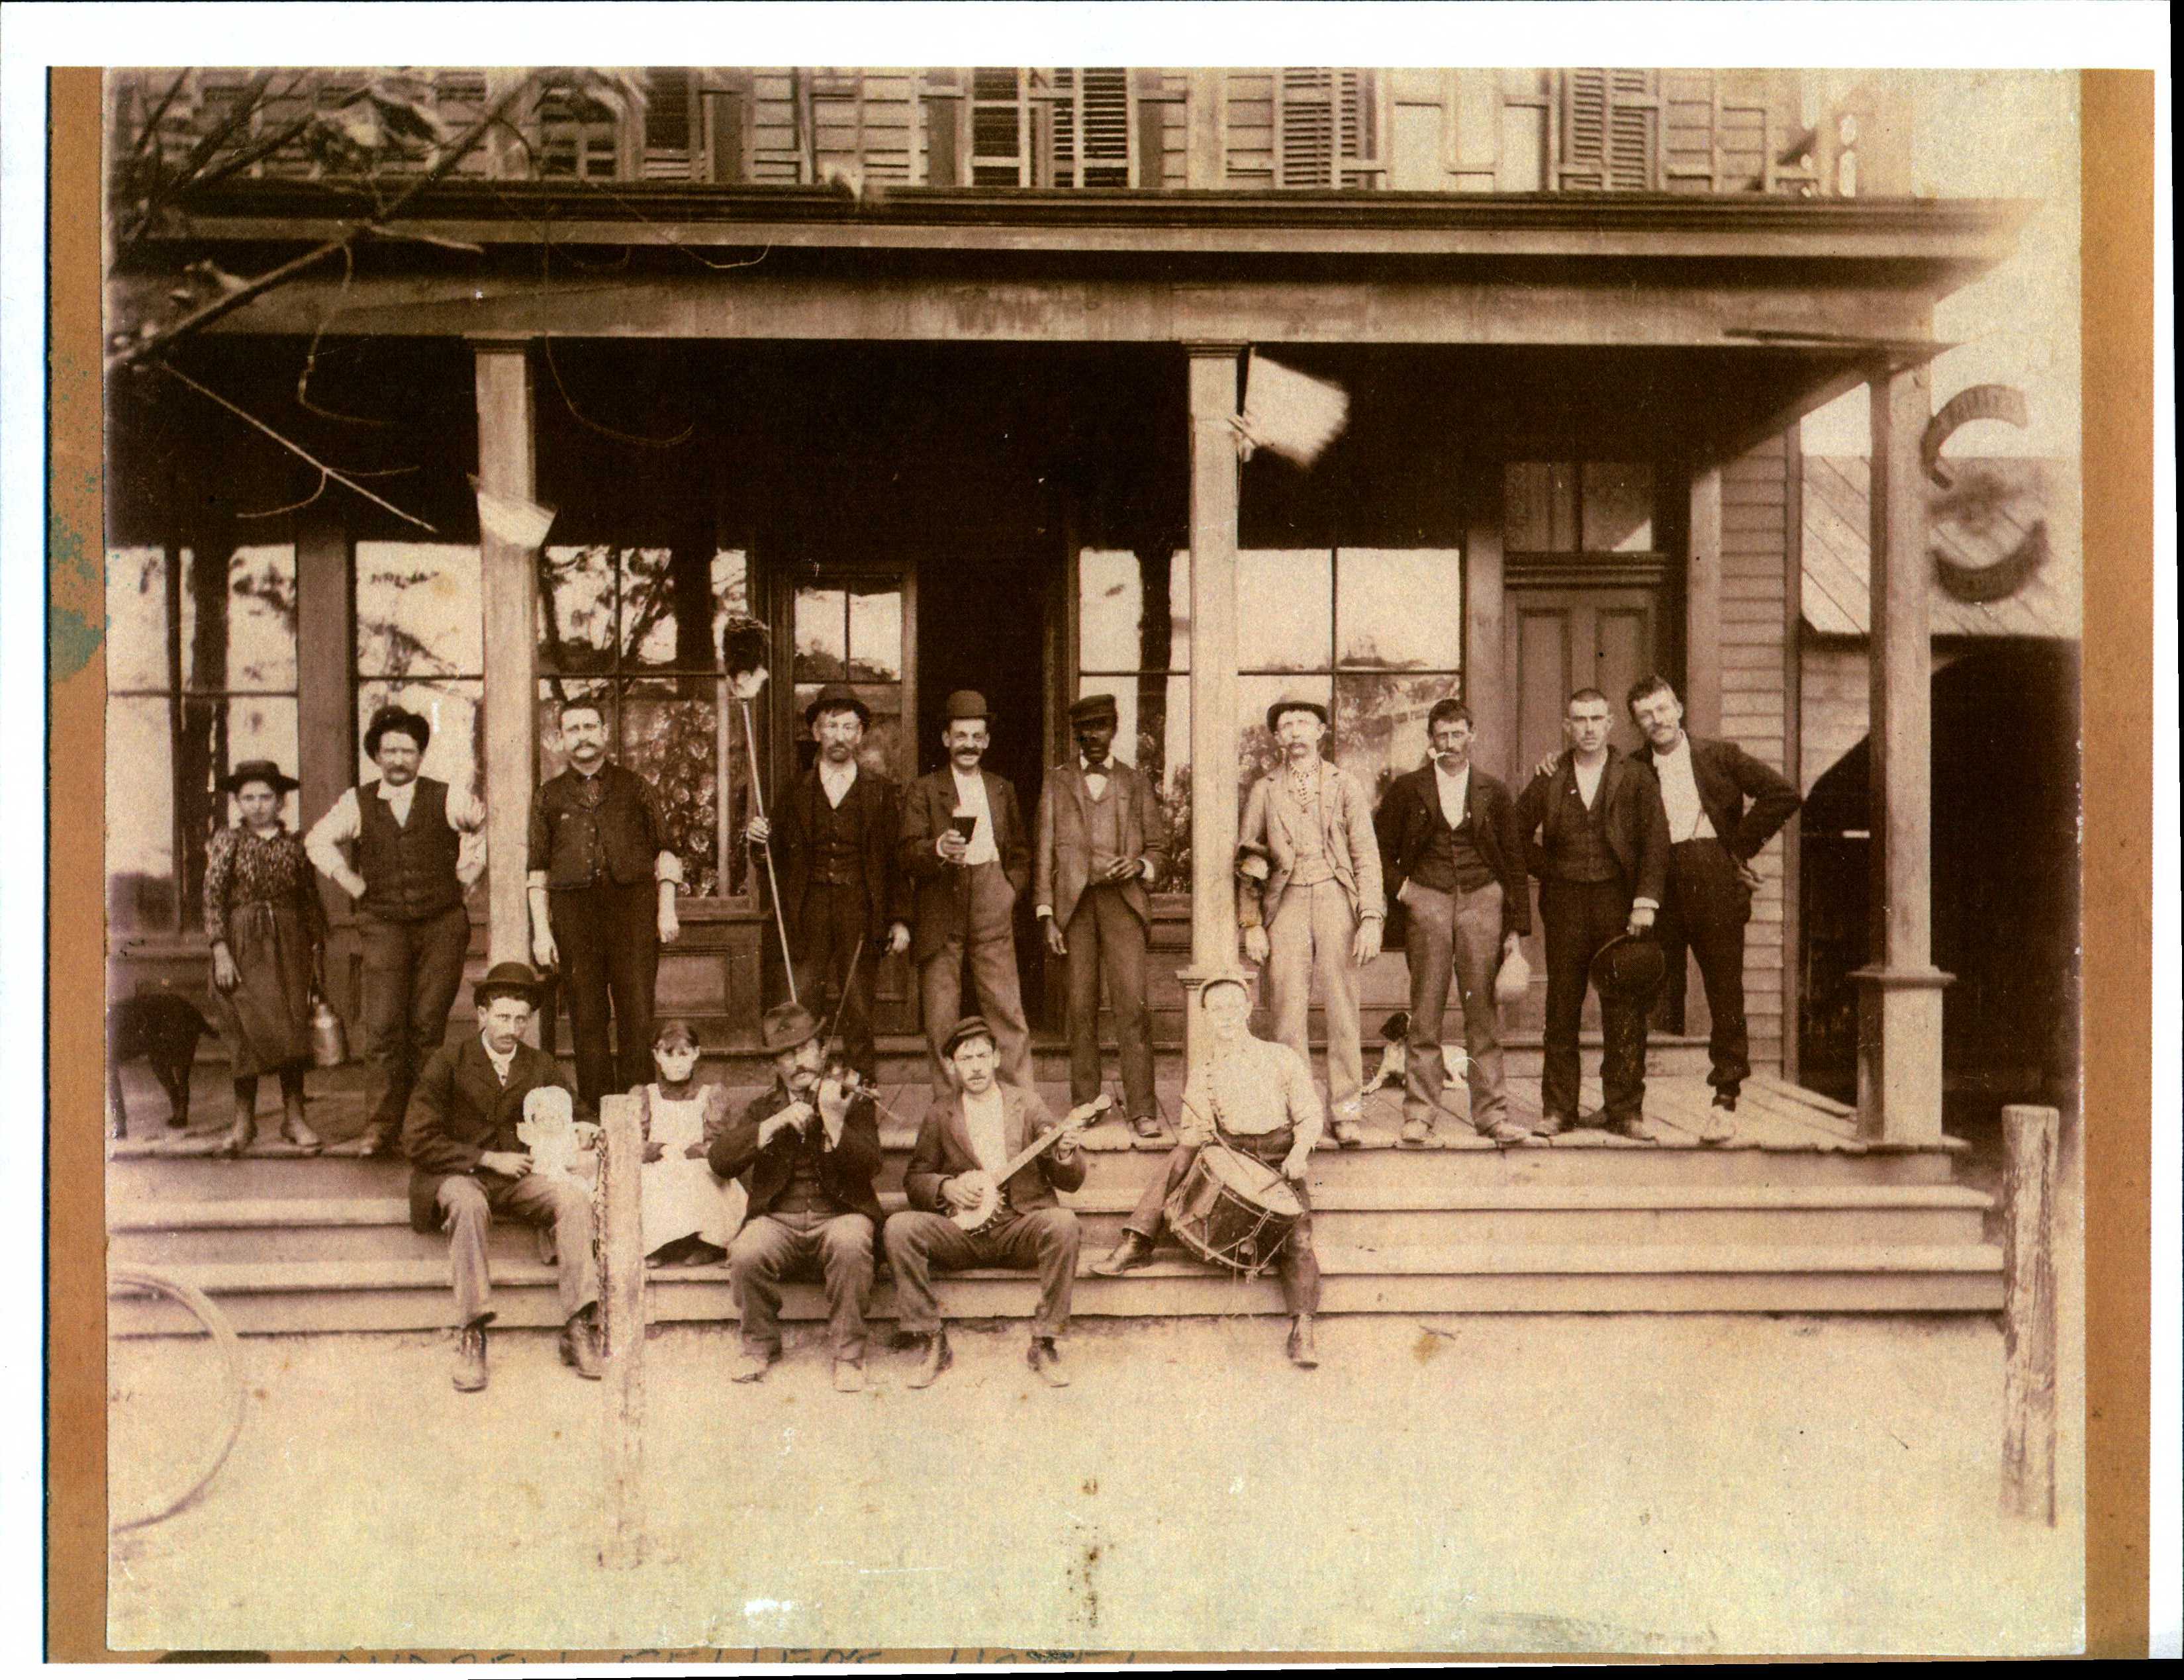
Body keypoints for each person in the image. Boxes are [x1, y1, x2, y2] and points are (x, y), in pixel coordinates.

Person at [1092, 974, 1325, 1368]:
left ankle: (1303, 1328)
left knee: (1298, 1238)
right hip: (1232, 1154)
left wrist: (1300, 1152)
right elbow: (1193, 1129)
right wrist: (1200, 1134)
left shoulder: (1281, 1058)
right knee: (1183, 1152)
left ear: (1248, 1009)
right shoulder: (1205, 1072)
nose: (1227, 1016)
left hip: (1280, 1159)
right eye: (1217, 1009)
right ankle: (1137, 1241)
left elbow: (1309, 1114)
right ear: (1206, 1017)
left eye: (1234, 1006)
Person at [400, 962, 602, 1393]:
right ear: (482, 1016)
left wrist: (584, 1129)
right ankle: (473, 1331)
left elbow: (579, 1111)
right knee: (468, 1203)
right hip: (458, 1173)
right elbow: (416, 1138)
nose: (512, 1028)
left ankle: (579, 1323)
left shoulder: (539, 1064)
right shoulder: (449, 1060)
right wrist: (486, 1159)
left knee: (572, 1200)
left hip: (520, 1178)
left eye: (521, 1019)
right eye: (503, 1017)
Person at [304, 703, 486, 1157]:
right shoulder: (357, 802)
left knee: (427, 1027)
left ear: (421, 755)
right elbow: (316, 840)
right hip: (383, 924)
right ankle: (381, 1126)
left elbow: (486, 829)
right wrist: (349, 881)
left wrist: (466, 875)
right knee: (383, 1027)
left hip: (442, 924)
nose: (399, 760)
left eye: (407, 751)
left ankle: (423, 1126)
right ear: (376, 756)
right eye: (390, 751)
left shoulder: (448, 797)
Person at [1626, 675, 1803, 1141]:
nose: (1656, 720)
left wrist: (1736, 849)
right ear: (1636, 723)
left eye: (1662, 709)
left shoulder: (1718, 755)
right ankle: (1625, 1103)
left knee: (1724, 991)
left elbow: (1783, 794)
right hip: (1658, 884)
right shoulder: (1632, 768)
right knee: (1641, 988)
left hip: (1713, 876)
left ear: (1678, 708)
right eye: (1645, 714)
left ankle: (1724, 1099)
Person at [886, 1016, 1084, 1389]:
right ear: (952, 1066)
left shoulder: (1027, 1104)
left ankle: (1045, 1342)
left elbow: (1071, 1181)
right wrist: (945, 1188)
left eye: (981, 1056)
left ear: (996, 1058)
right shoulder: (939, 1112)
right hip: (961, 1234)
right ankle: (931, 1340)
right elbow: (915, 1178)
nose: (975, 1067)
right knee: (899, 1227)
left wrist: (1063, 1154)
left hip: (1018, 1226)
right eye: (965, 1059)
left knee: (1064, 1223)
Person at [1513, 688, 1672, 1141]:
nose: (1587, 728)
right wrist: (1551, 870)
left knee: (1624, 1008)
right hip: (1564, 907)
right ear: (1567, 726)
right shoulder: (1550, 776)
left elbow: (1655, 842)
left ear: (1609, 725)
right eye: (1578, 719)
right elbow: (1513, 833)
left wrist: (1645, 900)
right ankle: (1557, 1110)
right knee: (1560, 1007)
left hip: (1617, 905)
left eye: (1595, 719)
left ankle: (1624, 1110)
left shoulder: (1636, 776)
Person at [1374, 700, 1533, 1146]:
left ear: (1472, 735)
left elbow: (1515, 859)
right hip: (1427, 899)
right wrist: (1403, 890)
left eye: (1458, 734)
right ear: (1431, 738)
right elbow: (1376, 847)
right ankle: (1419, 1115)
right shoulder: (1408, 789)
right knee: (1425, 1011)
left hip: (1483, 900)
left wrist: (1515, 926)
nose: (1449, 745)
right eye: (1441, 735)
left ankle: (1491, 1115)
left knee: (1482, 1013)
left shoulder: (1492, 790)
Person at [708, 1002, 886, 1393]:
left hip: (840, 1214)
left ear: (822, 1051)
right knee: (747, 1251)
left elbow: (873, 1164)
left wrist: (836, 1121)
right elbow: (720, 1160)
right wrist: (774, 1124)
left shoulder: (848, 1099)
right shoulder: (763, 1108)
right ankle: (760, 1344)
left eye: (805, 1049)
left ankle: (848, 1356)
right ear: (776, 1065)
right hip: (779, 1220)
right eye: (786, 1054)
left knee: (853, 1241)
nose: (797, 1061)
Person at [1237, 692, 1385, 1145]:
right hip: (1285, 904)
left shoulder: (1345, 785)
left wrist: (1371, 916)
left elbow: (1366, 854)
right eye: (1287, 725)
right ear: (1278, 737)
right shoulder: (1264, 789)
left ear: (1320, 732)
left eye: (1304, 723)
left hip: (1334, 898)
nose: (1296, 732)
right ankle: (1299, 1111)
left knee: (1343, 1007)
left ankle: (1346, 1111)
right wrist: (1252, 924)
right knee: (1286, 1010)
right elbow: (1248, 859)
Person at [744, 683, 910, 1084]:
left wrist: (900, 920)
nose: (839, 736)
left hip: (860, 910)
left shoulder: (882, 793)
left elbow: (896, 861)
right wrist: (758, 842)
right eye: (830, 726)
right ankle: (798, 1102)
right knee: (802, 1014)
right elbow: (771, 861)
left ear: (860, 734)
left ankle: (862, 1101)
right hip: (807, 912)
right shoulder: (791, 792)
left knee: (859, 1012)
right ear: (816, 733)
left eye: (848, 727)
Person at [526, 696, 684, 1109]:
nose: (582, 737)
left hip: (632, 911)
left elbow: (666, 853)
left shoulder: (635, 787)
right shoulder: (548, 797)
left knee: (637, 1014)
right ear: (560, 739)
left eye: (589, 728)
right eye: (573, 729)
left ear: (604, 734)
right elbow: (538, 870)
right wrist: (542, 934)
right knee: (586, 1017)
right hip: (574, 917)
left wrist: (667, 909)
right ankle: (597, 1112)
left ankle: (637, 1110)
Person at [1035, 692, 1170, 1141]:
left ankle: (1143, 1109)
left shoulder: (1134, 782)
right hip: (1075, 909)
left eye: (1101, 727)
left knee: (1131, 1007)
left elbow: (1158, 849)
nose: (1093, 736)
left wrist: (1139, 865)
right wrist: (1047, 913)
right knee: (1080, 1008)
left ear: (1115, 729)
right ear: (1076, 734)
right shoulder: (1057, 782)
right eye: (1084, 729)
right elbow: (1043, 853)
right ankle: (1085, 1105)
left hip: (1122, 907)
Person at [898, 690, 1034, 1099]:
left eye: (977, 736)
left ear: (987, 741)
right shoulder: (924, 789)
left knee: (1005, 1008)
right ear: (945, 739)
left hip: (992, 895)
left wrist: (1009, 890)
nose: (969, 745)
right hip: (941, 903)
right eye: (961, 736)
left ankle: (1021, 1104)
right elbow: (905, 852)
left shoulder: (1001, 789)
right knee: (941, 1014)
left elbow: (1021, 852)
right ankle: (949, 1111)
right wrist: (937, 849)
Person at [203, 759, 328, 1157]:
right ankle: (244, 1120)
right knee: (245, 1028)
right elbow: (212, 898)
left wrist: (315, 953)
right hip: (242, 943)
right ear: (238, 802)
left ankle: (294, 1117)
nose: (258, 805)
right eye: (249, 797)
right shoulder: (227, 841)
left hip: (290, 943)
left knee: (292, 1026)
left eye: (266, 797)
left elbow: (310, 901)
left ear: (281, 801)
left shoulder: (296, 844)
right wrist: (220, 949)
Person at [632, 1019, 745, 1267]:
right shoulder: (645, 1095)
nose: (677, 1062)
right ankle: (655, 1243)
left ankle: (709, 1242)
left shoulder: (711, 1096)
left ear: (696, 1054)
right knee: (649, 1180)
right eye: (668, 1055)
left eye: (684, 1054)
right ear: (656, 1056)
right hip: (658, 1162)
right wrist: (654, 1149)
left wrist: (696, 1150)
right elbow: (635, 1139)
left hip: (694, 1160)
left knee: (700, 1175)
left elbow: (716, 1138)